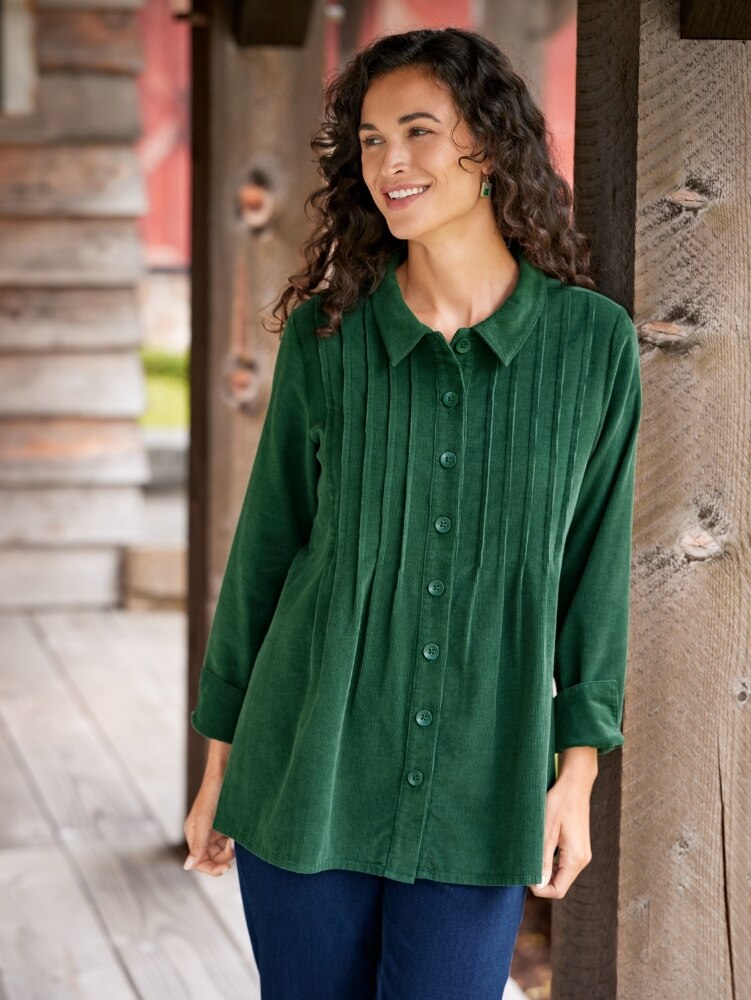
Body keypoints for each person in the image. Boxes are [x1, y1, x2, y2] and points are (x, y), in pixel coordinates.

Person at [183, 26, 643, 1000]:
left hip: (483, 790)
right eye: (370, 140)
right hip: (302, 772)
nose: (389, 161)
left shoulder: (591, 346)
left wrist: (576, 775)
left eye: (418, 131)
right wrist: (218, 763)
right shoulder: (328, 338)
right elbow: (266, 548)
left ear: (490, 146)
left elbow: (595, 574)